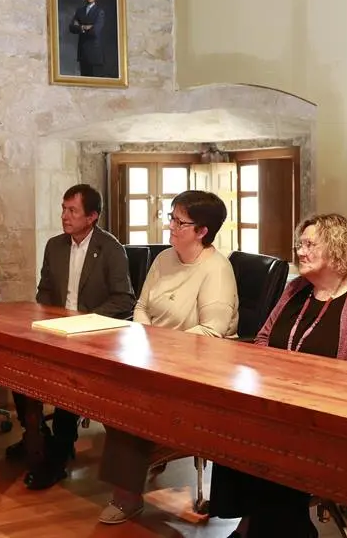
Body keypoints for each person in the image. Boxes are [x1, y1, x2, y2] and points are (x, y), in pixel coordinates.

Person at [208, 213, 347, 538]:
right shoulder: (296, 288)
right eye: (300, 244)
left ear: (337, 248)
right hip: (281, 406)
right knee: (234, 424)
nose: (300, 251)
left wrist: (303, 392)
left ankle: (257, 530)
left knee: (276, 447)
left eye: (310, 244)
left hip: (338, 417)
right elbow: (264, 339)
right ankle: (253, 525)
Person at [98, 190, 239, 524]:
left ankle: (126, 496)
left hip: (199, 367)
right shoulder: (164, 259)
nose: (171, 227)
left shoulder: (216, 269)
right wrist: (145, 339)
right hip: (153, 357)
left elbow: (212, 331)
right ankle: (129, 478)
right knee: (108, 393)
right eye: (171, 218)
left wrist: (160, 349)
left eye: (180, 222)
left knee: (129, 405)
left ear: (202, 231)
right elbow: (142, 306)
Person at [11, 184, 135, 490]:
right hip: (55, 328)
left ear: (91, 216)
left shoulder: (111, 248)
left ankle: (59, 451)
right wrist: (46, 321)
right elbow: (44, 292)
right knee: (15, 365)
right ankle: (36, 433)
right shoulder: (55, 245)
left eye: (72, 211)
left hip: (92, 334)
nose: (64, 216)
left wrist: (83, 320)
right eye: (63, 209)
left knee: (66, 379)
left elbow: (124, 300)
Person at [69, 0, 106, 77]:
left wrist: (80, 26)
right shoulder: (79, 11)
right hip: (83, 54)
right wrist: (84, 27)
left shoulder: (99, 12)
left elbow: (95, 31)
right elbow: (72, 28)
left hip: (95, 55)